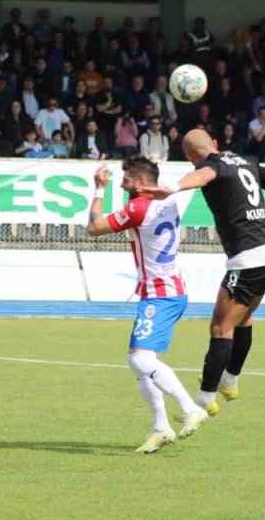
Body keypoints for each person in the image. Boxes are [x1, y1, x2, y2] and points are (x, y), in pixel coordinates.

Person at [142, 130, 265, 415]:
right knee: (244, 318)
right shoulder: (248, 162)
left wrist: (174, 187)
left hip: (248, 258)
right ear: (215, 144)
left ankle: (204, 398)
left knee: (220, 327)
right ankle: (231, 379)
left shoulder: (210, 167)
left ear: (191, 157)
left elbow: (201, 177)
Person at [85, 157, 209, 454]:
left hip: (160, 294)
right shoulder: (168, 199)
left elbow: (94, 227)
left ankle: (190, 407)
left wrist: (99, 190)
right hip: (168, 289)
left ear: (141, 183)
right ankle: (161, 427)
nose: (122, 181)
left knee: (141, 360)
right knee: (137, 360)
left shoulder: (138, 206)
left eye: (126, 178)